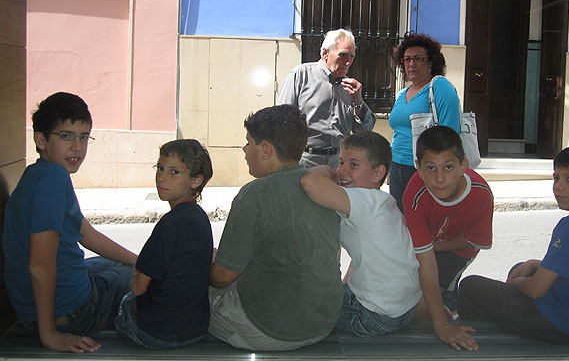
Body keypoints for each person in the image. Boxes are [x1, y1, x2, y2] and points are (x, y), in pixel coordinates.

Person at [2, 92, 137, 353]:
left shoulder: (39, 172)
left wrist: (139, 260)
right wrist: (50, 335)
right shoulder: (53, 180)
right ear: (41, 139)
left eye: (84, 137)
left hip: (38, 302)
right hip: (70, 313)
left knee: (130, 264)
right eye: (66, 136)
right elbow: (40, 265)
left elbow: (87, 234)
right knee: (139, 276)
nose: (77, 147)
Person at [458, 145, 569, 341]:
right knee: (522, 267)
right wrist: (535, 265)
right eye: (556, 178)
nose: (559, 186)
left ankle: (477, 342)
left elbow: (536, 290)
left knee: (470, 286)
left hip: (560, 322)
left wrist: (518, 284)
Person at [208, 105, 342, 351]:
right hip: (324, 322)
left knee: (194, 293)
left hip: (270, 331)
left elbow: (222, 277)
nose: (245, 150)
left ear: (266, 149)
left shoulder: (253, 195)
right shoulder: (322, 188)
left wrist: (208, 265)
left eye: (249, 143)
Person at [300, 131, 422, 337]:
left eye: (353, 165)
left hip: (374, 316)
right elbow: (365, 255)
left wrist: (326, 170)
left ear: (378, 174)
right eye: (340, 162)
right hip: (404, 308)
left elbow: (310, 183)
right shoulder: (383, 202)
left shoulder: (363, 200)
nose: (342, 171)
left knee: (298, 297)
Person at [115, 139, 214, 348]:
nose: (162, 177)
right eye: (160, 168)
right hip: (195, 328)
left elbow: (139, 288)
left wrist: (134, 281)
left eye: (174, 172)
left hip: (156, 332)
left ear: (196, 180)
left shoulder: (170, 224)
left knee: (113, 282)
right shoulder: (200, 218)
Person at [403, 125, 493, 317]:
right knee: (407, 296)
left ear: (463, 166)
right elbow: (422, 255)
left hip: (457, 251)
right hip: (424, 248)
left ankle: (451, 307)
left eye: (449, 167)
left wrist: (433, 247)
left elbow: (475, 240)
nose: (440, 178)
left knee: (424, 304)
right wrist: (427, 247)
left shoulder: (481, 194)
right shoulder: (415, 192)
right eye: (430, 168)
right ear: (418, 168)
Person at [277, 28, 375, 169]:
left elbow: (364, 132)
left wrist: (357, 102)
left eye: (352, 56)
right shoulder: (301, 75)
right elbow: (282, 120)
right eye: (343, 55)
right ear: (325, 53)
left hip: (339, 162)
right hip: (305, 160)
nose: (348, 62)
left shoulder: (351, 87)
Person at [388, 33, 461, 212]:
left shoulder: (439, 86)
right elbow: (398, 131)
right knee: (402, 225)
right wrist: (391, 167)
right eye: (407, 59)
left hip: (424, 169)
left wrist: (438, 173)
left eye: (418, 59)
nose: (411, 63)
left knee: (425, 223)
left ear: (431, 62)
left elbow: (450, 133)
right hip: (397, 168)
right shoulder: (402, 94)